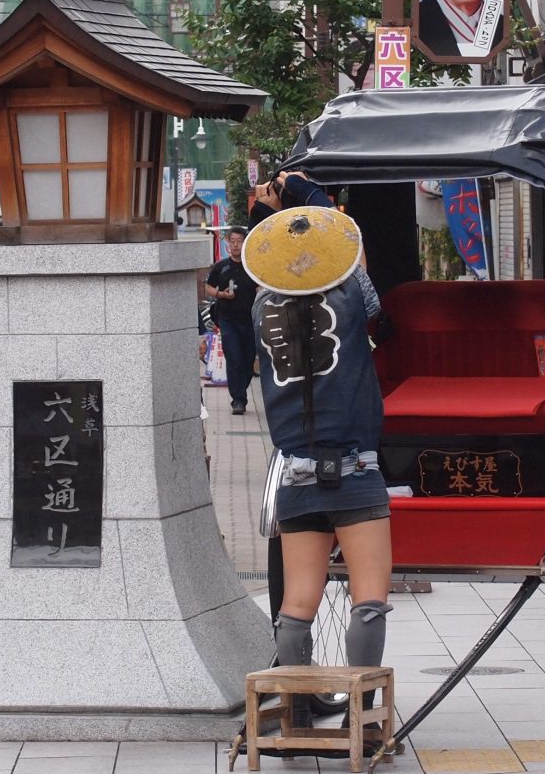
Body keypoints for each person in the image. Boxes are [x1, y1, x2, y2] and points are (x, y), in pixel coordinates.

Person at [247, 206, 392, 734]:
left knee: (297, 603)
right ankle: (366, 720)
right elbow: (367, 292)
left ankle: (297, 712)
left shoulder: (262, 304)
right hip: (355, 468)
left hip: (294, 473)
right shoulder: (351, 292)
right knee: (369, 597)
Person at [204, 227, 258, 415]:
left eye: (239, 241)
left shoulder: (253, 266)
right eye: (232, 241)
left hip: (250, 319)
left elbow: (261, 288)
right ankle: (238, 400)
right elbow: (209, 288)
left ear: (245, 243)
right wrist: (221, 294)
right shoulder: (221, 266)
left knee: (248, 360)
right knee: (234, 358)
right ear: (228, 244)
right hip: (227, 319)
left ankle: (240, 390)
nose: (236, 245)